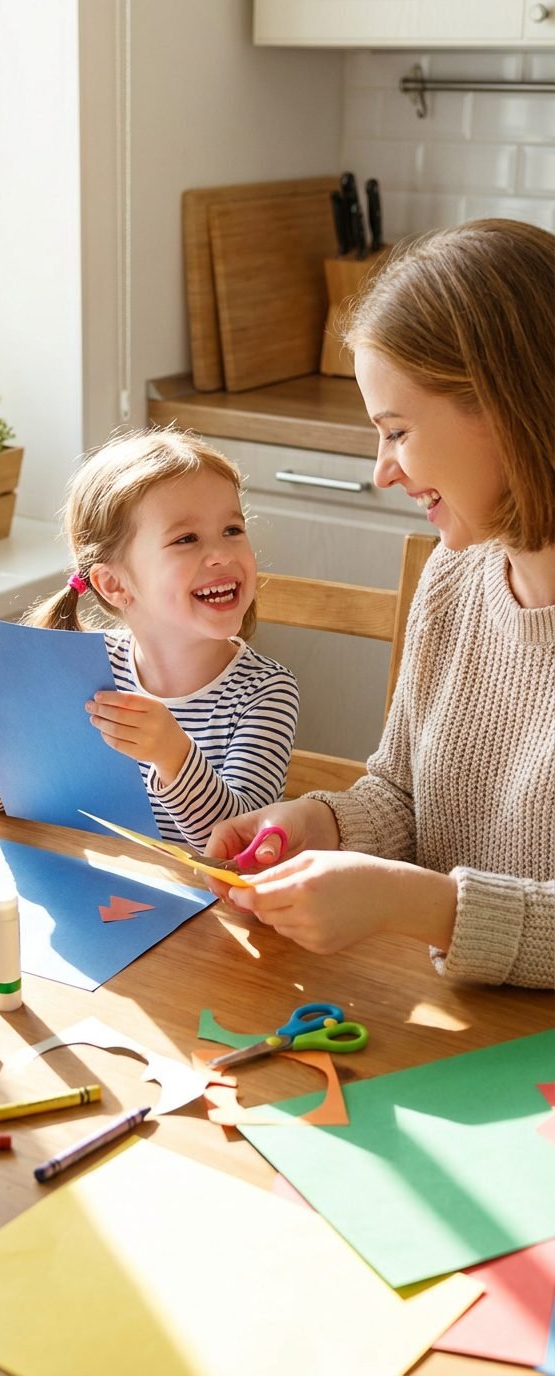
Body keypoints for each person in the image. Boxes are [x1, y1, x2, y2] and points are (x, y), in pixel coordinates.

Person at [205, 218, 555, 989]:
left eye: (396, 431)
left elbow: (424, 897)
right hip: (446, 1027)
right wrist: (315, 824)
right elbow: (402, 795)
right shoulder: (455, 578)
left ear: (508, 405)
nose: (381, 472)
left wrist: (425, 908)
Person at [0, 427, 300, 849]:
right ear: (114, 585)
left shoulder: (265, 693)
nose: (222, 554)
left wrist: (173, 755)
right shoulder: (82, 671)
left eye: (233, 529)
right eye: (186, 539)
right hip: (99, 892)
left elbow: (237, 847)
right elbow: (12, 807)